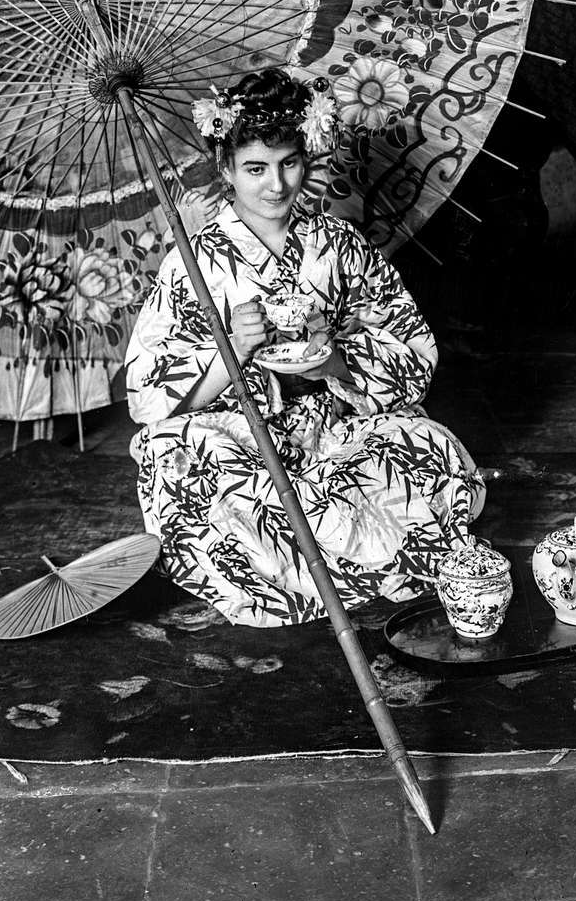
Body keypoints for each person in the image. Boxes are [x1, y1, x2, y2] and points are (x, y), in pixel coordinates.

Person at [125, 67, 485, 628]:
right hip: (241, 434)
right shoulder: (191, 263)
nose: (276, 185)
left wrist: (332, 359)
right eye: (255, 168)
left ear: (306, 157)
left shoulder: (339, 244)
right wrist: (232, 350)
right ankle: (300, 558)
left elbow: (410, 346)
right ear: (225, 168)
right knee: (173, 452)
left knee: (422, 444)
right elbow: (149, 399)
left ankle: (315, 547)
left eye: (289, 163)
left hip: (335, 424)